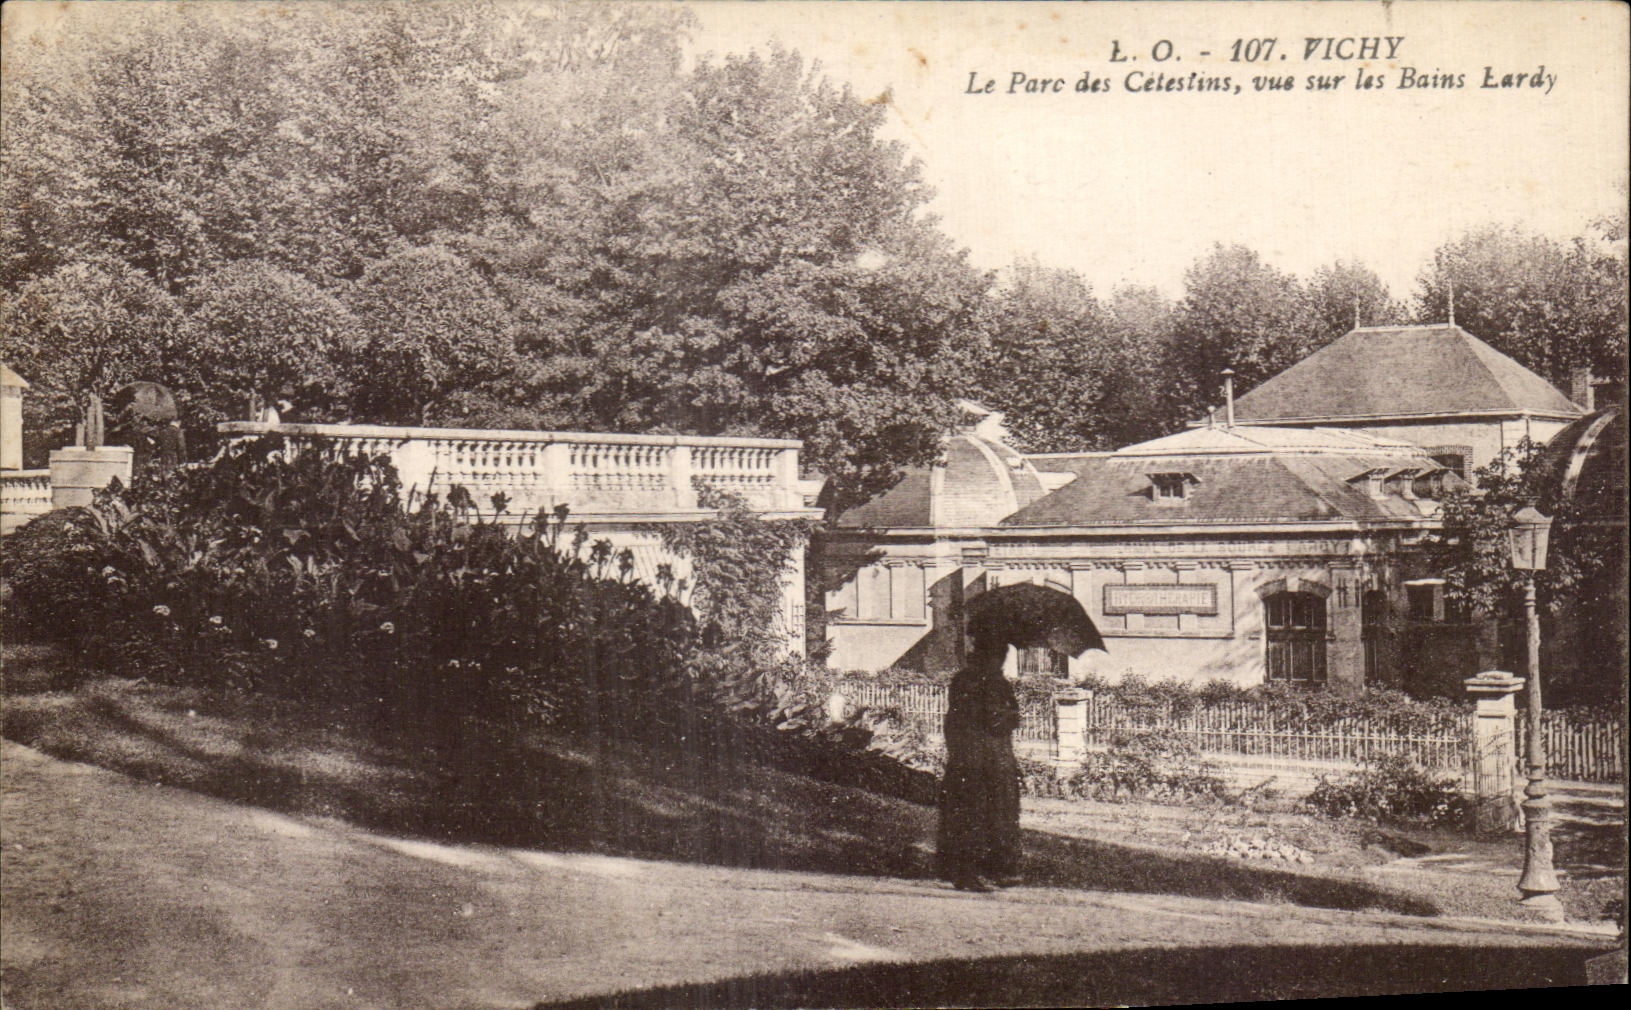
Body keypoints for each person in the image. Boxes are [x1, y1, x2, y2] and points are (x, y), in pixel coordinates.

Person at [937, 626, 1023, 891]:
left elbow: (952, 721)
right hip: (988, 761)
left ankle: (973, 870)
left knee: (966, 815)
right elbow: (998, 721)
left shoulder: (961, 679)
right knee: (985, 815)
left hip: (966, 758)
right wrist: (1013, 715)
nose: (1002, 661)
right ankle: (975, 872)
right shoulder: (993, 683)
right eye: (999, 655)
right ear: (990, 656)